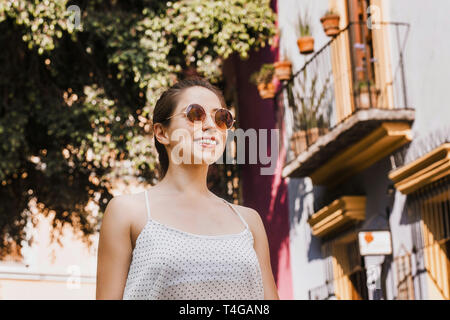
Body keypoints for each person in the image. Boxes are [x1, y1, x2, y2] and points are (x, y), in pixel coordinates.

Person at [96, 77, 279, 300]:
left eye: (222, 118)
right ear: (162, 133)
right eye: (195, 114)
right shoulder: (127, 212)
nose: (211, 126)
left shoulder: (249, 222)